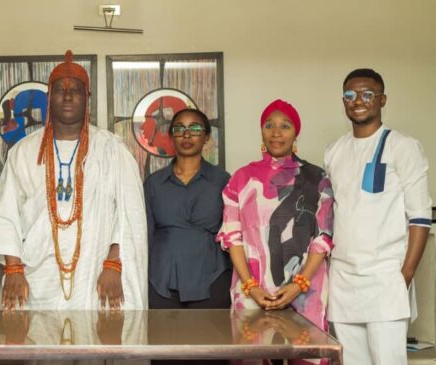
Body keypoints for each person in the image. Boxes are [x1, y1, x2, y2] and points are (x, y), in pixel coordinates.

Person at [0, 50, 147, 310]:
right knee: (37, 345)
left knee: (98, 343)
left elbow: (129, 214)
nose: (68, 96)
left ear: (87, 98)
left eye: (76, 91)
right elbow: (6, 215)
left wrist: (114, 264)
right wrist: (13, 269)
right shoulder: (23, 151)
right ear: (49, 98)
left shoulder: (112, 149)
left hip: (99, 270)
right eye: (60, 90)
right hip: (37, 276)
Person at [325, 68, 431, 365]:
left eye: (367, 94)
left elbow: (420, 218)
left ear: (382, 100)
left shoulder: (404, 146)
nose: (358, 100)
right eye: (350, 95)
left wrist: (405, 275)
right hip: (343, 280)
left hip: (386, 278)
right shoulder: (334, 151)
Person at [217, 99, 334, 365]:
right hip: (252, 289)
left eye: (285, 125)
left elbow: (323, 238)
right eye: (269, 125)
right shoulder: (241, 178)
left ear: (296, 133)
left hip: (305, 290)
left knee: (307, 358)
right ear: (262, 132)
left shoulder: (317, 178)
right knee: (251, 358)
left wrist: (298, 285)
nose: (276, 132)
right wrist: (251, 287)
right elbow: (232, 237)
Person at [145, 108, 231, 310]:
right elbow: (145, 235)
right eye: (179, 128)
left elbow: (233, 234)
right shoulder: (154, 183)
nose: (187, 134)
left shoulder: (223, 180)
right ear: (171, 136)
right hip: (161, 280)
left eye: (194, 128)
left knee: (210, 340)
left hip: (212, 278)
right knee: (163, 340)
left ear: (206, 136)